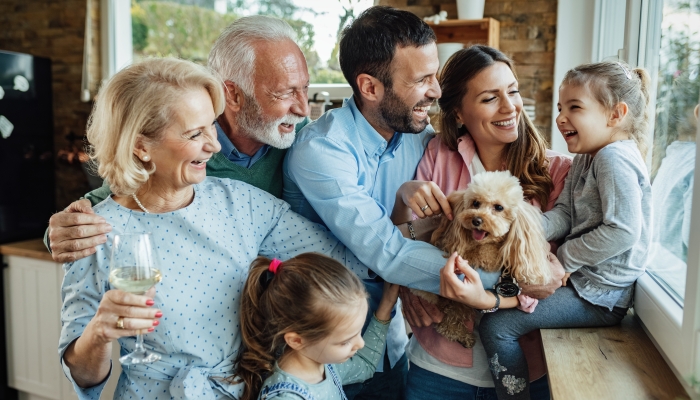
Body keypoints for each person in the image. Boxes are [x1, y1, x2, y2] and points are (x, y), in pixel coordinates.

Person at [58, 57, 370, 400]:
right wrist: (99, 333)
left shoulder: (241, 203)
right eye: (195, 134)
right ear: (141, 146)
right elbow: (83, 377)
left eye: (212, 127)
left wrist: (413, 227)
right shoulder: (92, 232)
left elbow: (348, 257)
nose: (215, 145)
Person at [45, 15, 311, 263]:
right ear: (233, 95)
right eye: (284, 94)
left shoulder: (304, 137)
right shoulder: (181, 155)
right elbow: (110, 201)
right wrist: (60, 232)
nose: (303, 110)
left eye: (305, 89)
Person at [391, 46, 570, 400]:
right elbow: (403, 244)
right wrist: (406, 287)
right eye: (490, 98)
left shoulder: (558, 171)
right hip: (438, 368)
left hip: (529, 367)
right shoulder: (436, 157)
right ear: (458, 112)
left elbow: (557, 281)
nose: (509, 107)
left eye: (513, 91)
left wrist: (488, 299)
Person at [479, 61, 652, 399]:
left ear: (616, 114)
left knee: (498, 325)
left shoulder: (613, 158)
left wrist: (565, 260)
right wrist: (521, 228)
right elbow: (564, 214)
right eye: (560, 107)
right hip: (588, 285)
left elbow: (623, 231)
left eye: (574, 107)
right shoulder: (589, 156)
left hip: (602, 295)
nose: (560, 117)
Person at [233, 254, 400, 400]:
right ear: (297, 341)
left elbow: (364, 365)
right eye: (345, 341)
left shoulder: (322, 361)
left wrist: (386, 305)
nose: (360, 344)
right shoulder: (287, 396)